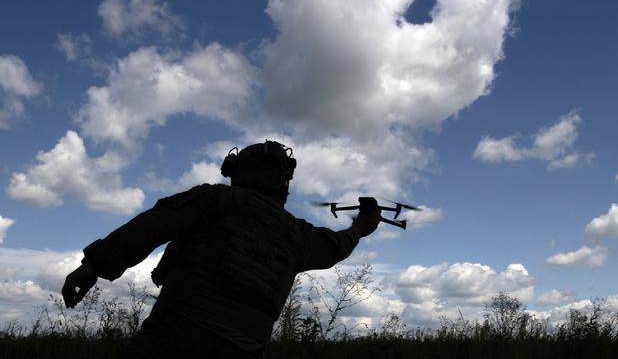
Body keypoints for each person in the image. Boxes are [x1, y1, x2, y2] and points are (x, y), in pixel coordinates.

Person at [61, 140, 381, 358]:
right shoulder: (298, 234)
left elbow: (155, 224)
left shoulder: (215, 199)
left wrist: (94, 265)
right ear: (284, 181)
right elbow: (336, 246)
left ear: (239, 171)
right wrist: (359, 228)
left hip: (174, 335)